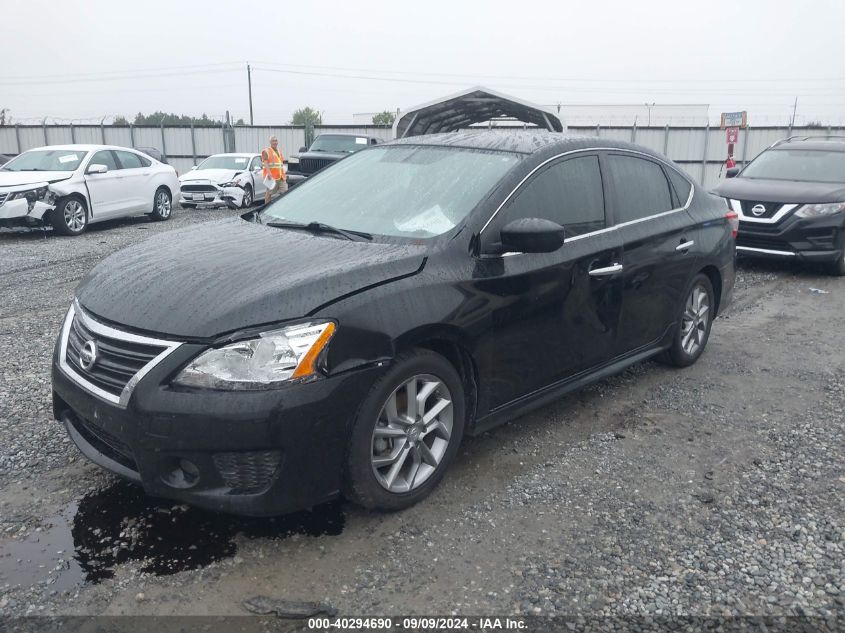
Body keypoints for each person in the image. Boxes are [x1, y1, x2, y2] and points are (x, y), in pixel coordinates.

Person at [261, 136, 287, 204]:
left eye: (276, 141)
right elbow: (265, 162)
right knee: (269, 193)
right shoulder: (266, 151)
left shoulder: (279, 151)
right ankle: (266, 207)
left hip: (281, 177)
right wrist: (269, 173)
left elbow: (280, 163)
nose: (275, 142)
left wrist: (284, 171)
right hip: (272, 177)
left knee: (285, 192)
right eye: (273, 141)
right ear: (270, 142)